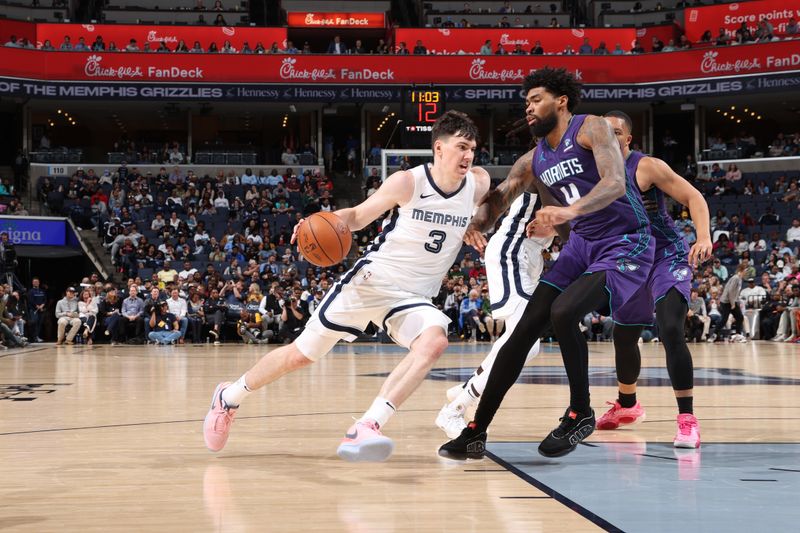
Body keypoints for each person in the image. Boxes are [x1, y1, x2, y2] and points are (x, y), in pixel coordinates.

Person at [202, 110, 490, 462]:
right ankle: (228, 397)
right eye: (461, 147)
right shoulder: (408, 182)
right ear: (439, 149)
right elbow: (357, 215)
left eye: (472, 149)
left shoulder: (479, 182)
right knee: (301, 354)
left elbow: (488, 205)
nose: (468, 155)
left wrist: (478, 222)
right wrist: (321, 220)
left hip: (415, 296)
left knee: (434, 342)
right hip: (372, 283)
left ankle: (368, 426)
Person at [439, 67, 654, 460]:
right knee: (521, 333)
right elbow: (501, 197)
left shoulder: (592, 128)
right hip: (582, 246)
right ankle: (475, 431)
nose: (529, 109)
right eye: (526, 103)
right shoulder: (534, 158)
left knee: (563, 311)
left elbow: (615, 183)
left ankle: (580, 411)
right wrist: (474, 222)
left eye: (536, 100)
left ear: (561, 101)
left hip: (625, 241)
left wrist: (567, 212)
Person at [594, 111, 711, 449]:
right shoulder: (593, 172)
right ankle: (627, 405)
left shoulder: (646, 167)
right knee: (624, 334)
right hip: (630, 260)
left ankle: (687, 420)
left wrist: (703, 237)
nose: (608, 138)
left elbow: (694, 198)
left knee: (671, 327)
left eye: (615, 132)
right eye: (602, 132)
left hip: (666, 255)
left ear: (628, 139)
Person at [435, 190, 551, 438]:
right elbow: (501, 193)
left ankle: (467, 387)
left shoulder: (591, 167)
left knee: (515, 337)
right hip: (514, 249)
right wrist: (475, 224)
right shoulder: (543, 159)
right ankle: (454, 410)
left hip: (531, 255)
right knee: (526, 344)